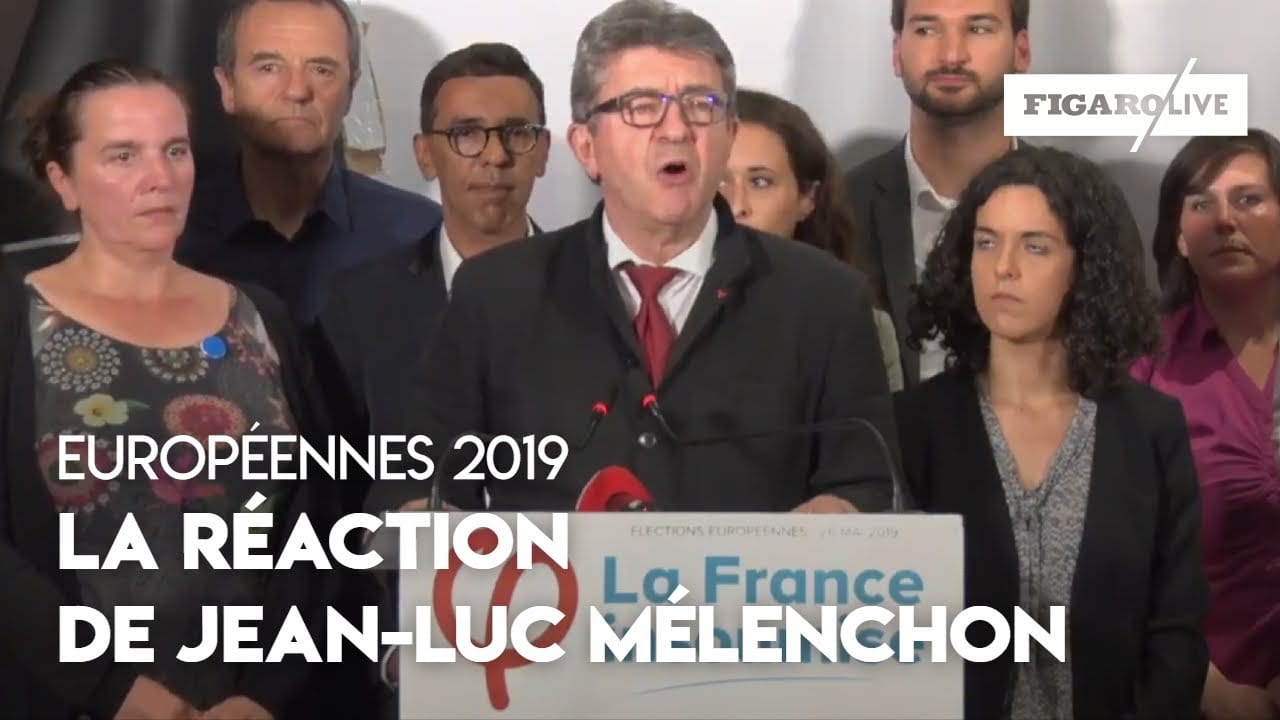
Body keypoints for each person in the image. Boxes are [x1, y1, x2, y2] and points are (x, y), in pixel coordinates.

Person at [406, 0, 898, 513]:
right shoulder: (496, 293)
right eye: (641, 107)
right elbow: (418, 486)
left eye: (700, 105)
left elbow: (869, 485)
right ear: (586, 146)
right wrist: (430, 525)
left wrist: (838, 514)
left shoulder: (824, 298)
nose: (675, 130)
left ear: (729, 135)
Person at [0, 58, 338, 720]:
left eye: (174, 150)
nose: (159, 177)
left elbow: (320, 525)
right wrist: (116, 693)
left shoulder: (260, 317)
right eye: (123, 155)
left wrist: (263, 694)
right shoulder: (16, 317)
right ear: (63, 180)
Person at [894, 146, 1209, 720]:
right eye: (986, 242)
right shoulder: (912, 426)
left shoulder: (1149, 428)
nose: (1003, 267)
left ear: (1084, 268)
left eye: (1034, 246)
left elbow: (1176, 631)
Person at [315, 42, 549, 460]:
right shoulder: (358, 303)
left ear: (543, 151)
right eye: (466, 134)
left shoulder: (600, 294)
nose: (496, 156)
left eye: (517, 133)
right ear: (425, 155)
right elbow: (333, 471)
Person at [1133, 129, 1280, 720]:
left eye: (1249, 199)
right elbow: (1113, 558)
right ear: (1179, 236)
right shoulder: (1142, 371)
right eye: (1202, 204)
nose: (1224, 221)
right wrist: (1206, 688)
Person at [177, 0, 442, 324]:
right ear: (227, 88)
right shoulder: (170, 233)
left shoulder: (419, 234)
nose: (297, 91)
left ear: (351, 91)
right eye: (269, 67)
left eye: (321, 70)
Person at [844, 0, 1029, 387]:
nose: (951, 55)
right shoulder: (841, 210)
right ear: (897, 52)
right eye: (927, 30)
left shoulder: (1078, 209)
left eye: (978, 29)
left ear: (1021, 51)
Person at [721, 88, 903, 391]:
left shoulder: (858, 325)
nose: (737, 206)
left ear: (807, 197)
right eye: (719, 180)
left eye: (760, 182)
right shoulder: (653, 312)